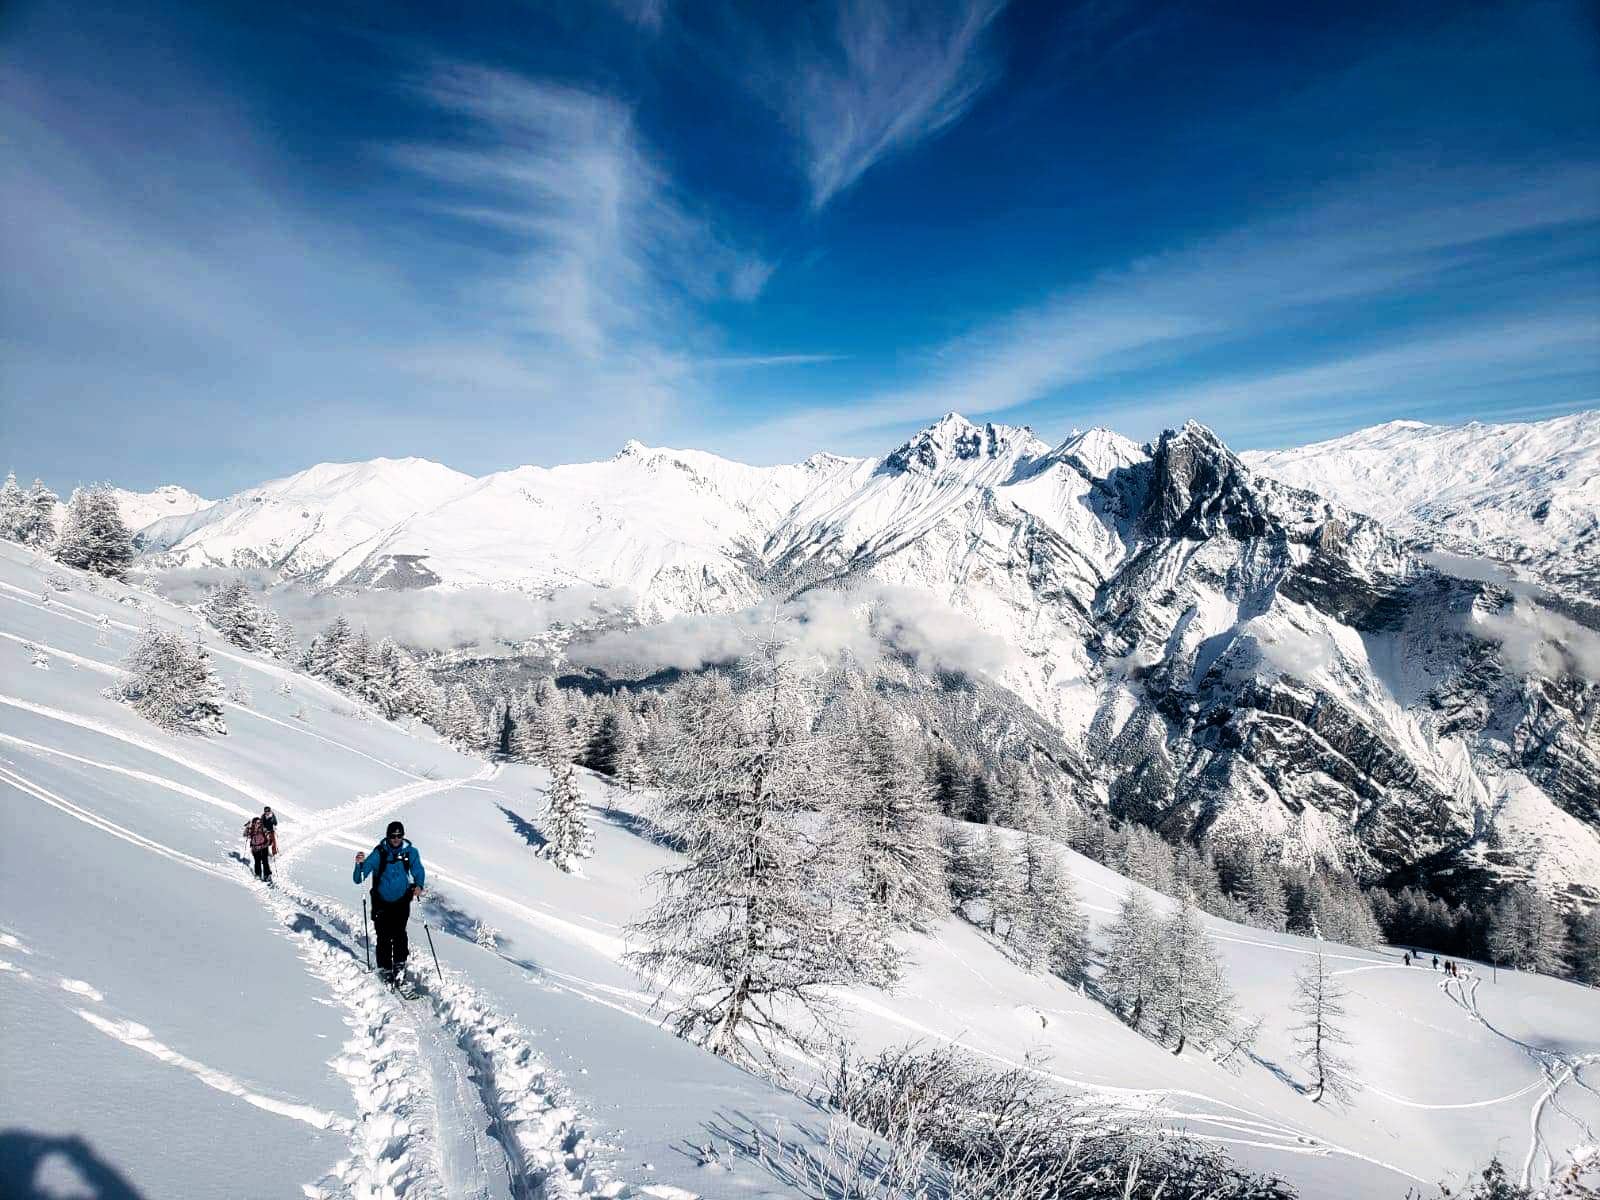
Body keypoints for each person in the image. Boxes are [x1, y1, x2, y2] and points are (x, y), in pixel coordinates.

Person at [354, 820, 425, 987]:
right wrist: (359, 865)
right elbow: (359, 878)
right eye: (393, 836)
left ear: (403, 836)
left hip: (401, 899)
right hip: (381, 901)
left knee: (400, 934)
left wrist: (419, 885)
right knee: (384, 935)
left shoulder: (410, 852)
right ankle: (385, 968)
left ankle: (399, 965)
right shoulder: (379, 853)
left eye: (399, 836)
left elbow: (418, 870)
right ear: (388, 836)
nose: (396, 839)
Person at [243, 817, 272, 884]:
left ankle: (267, 875)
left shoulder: (263, 829)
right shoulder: (251, 830)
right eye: (256, 822)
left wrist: (269, 839)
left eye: (259, 822)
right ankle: (258, 874)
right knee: (257, 861)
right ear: (254, 823)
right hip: (255, 848)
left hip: (264, 846)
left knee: (265, 861)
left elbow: (268, 835)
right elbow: (245, 835)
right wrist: (247, 827)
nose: (258, 824)